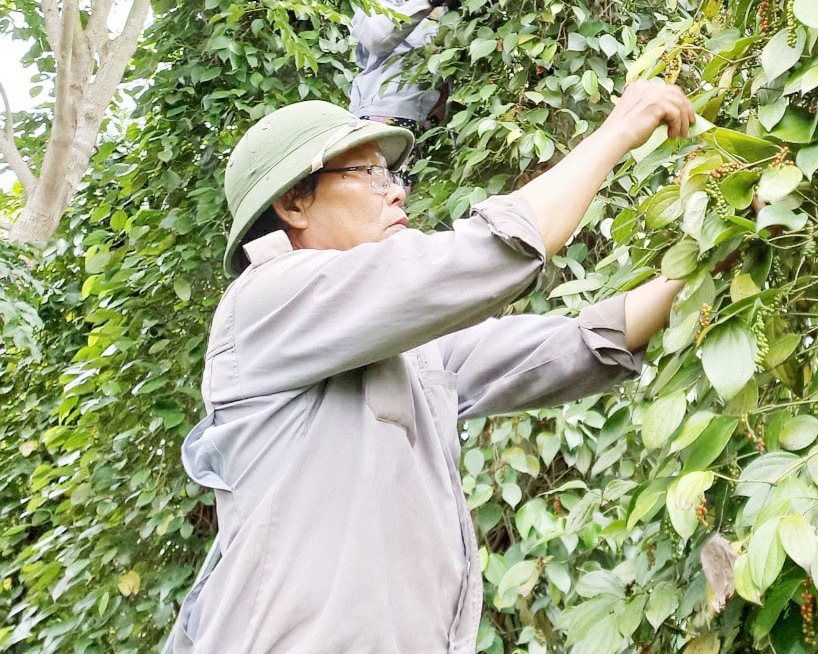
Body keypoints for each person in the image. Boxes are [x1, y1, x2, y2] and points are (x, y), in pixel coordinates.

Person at [164, 80, 695, 653]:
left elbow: (567, 348)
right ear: (294, 203)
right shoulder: (267, 301)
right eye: (369, 175)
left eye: (393, 177)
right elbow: (488, 256)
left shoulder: (402, 346)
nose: (395, 194)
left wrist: (711, 256)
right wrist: (617, 132)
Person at [345, 0, 465, 139]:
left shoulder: (440, 11)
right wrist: (428, 1)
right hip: (385, 117)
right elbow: (376, 37)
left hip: (430, 126)